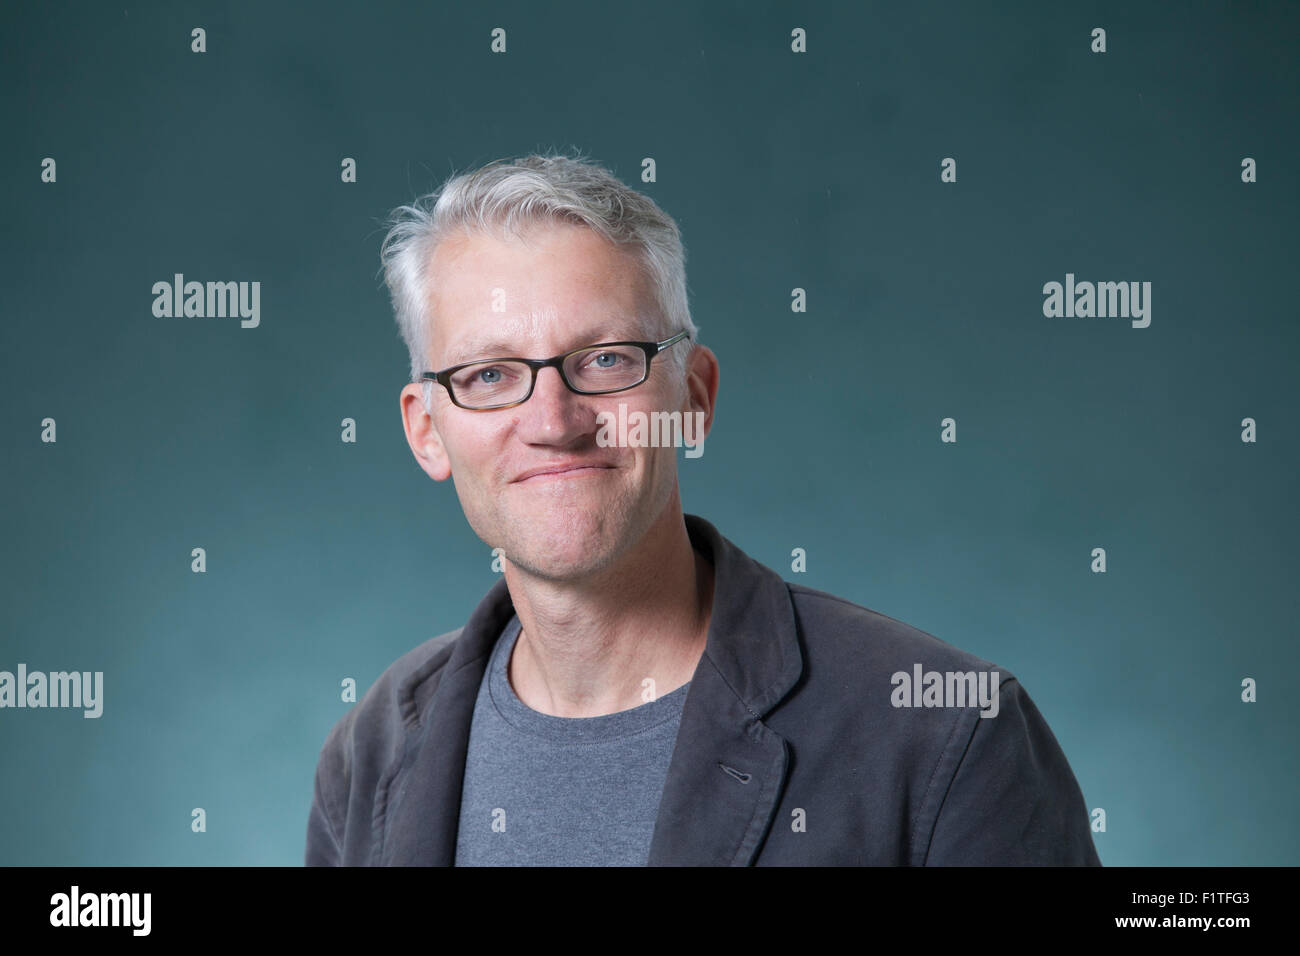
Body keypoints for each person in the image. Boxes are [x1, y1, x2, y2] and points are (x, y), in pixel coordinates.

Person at [304, 151, 1101, 866]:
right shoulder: (373, 749)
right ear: (426, 431)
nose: (554, 421)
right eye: (488, 376)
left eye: (606, 359)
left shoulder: (946, 734)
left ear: (694, 396)